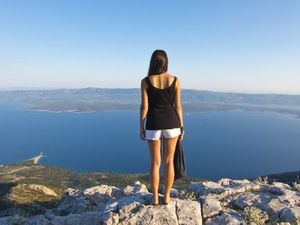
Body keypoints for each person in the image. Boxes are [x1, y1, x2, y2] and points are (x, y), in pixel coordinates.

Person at [139, 49, 184, 206]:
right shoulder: (175, 80)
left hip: (153, 123)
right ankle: (167, 196)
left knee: (155, 162)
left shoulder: (145, 81)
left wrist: (141, 127)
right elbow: (177, 106)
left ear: (152, 62)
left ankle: (155, 198)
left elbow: (144, 107)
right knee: (169, 161)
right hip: (172, 123)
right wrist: (182, 126)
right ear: (166, 62)